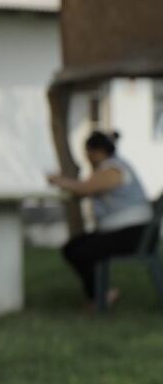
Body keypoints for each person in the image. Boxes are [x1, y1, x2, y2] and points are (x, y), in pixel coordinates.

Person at [49, 131, 153, 308]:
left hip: (132, 233)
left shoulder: (113, 169)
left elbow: (84, 188)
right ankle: (99, 295)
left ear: (95, 151)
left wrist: (59, 181)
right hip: (124, 231)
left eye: (87, 152)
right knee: (73, 247)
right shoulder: (111, 167)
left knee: (79, 251)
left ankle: (99, 297)